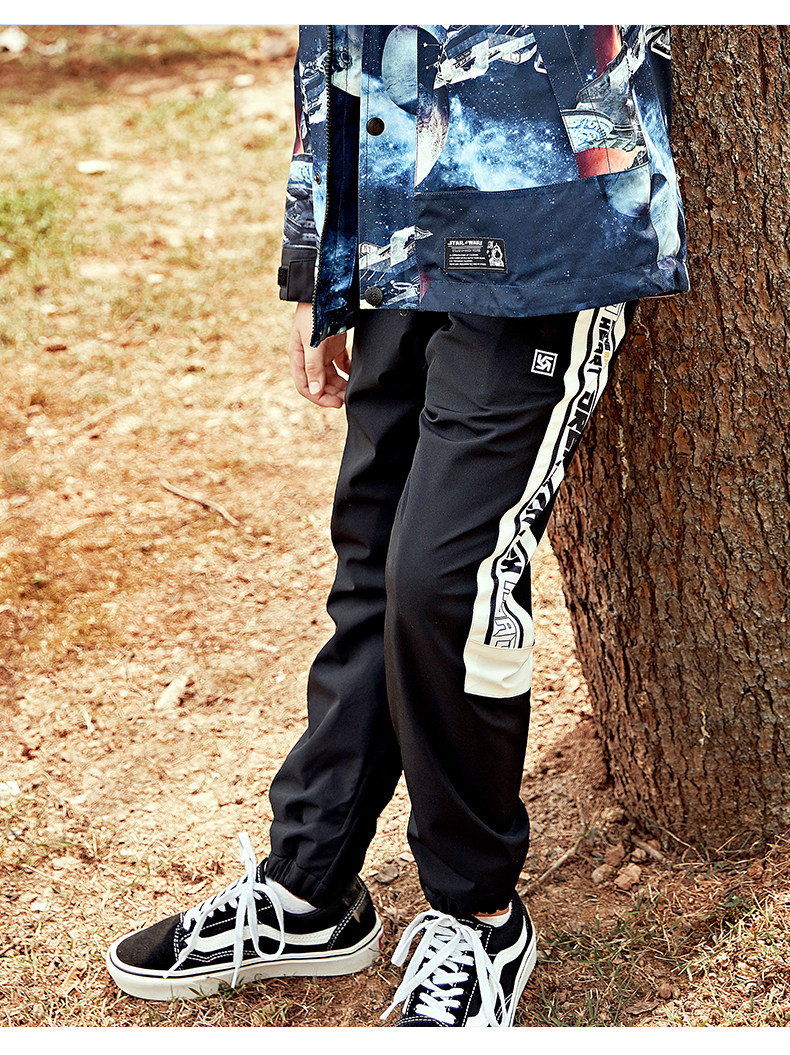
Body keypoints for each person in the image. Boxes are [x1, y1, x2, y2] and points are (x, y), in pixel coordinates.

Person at [105, 25, 688, 1027]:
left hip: (550, 231)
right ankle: (309, 885)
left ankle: (479, 912)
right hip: (398, 221)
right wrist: (318, 258)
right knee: (372, 562)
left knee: (446, 583)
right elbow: (335, 33)